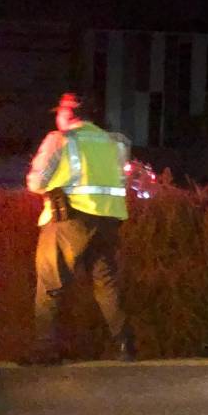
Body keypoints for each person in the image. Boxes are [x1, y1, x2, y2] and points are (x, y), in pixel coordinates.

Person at [21, 93, 136, 364]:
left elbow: (36, 182)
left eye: (59, 110)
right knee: (106, 283)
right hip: (108, 221)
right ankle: (126, 346)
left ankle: (45, 350)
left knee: (50, 284)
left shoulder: (61, 140)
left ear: (70, 113)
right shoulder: (115, 143)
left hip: (68, 220)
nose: (57, 116)